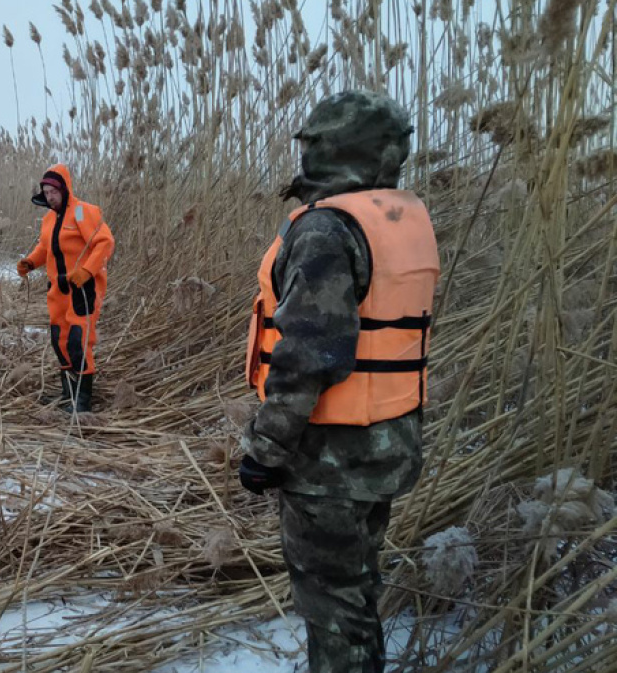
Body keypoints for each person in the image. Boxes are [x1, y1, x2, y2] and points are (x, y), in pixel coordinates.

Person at [239, 90, 440, 673]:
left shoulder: (328, 229)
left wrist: (266, 446)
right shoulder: (400, 218)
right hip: (388, 445)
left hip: (330, 457)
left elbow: (310, 353)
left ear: (331, 152)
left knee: (332, 605)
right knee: (354, 592)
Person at [16, 164, 115, 413]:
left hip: (83, 287)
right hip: (57, 290)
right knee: (59, 339)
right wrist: (30, 261)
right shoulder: (49, 218)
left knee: (77, 341)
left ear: (64, 189)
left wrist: (87, 270)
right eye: (46, 192)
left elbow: (105, 242)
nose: (50, 197)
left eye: (53, 191)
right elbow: (45, 248)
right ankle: (67, 393)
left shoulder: (84, 212)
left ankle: (82, 400)